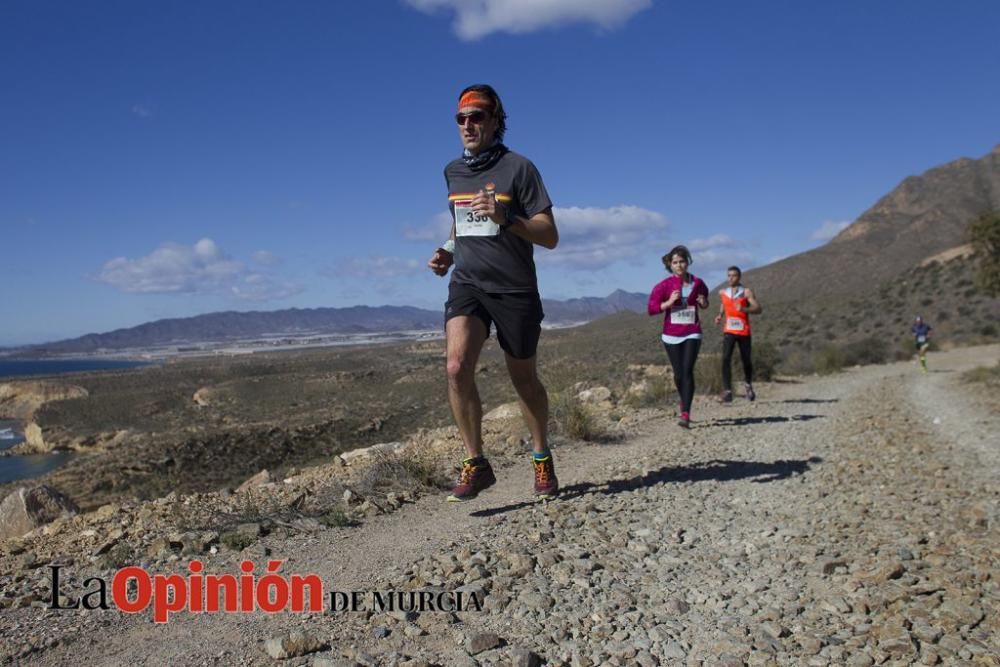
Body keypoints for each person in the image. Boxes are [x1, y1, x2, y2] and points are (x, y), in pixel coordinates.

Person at [426, 84, 559, 501]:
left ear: (496, 121)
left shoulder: (520, 168)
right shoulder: (453, 172)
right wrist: (448, 251)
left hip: (514, 289)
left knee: (524, 380)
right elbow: (461, 223)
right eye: (461, 118)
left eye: (477, 116)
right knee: (454, 367)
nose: (468, 125)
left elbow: (550, 235)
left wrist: (507, 217)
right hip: (468, 284)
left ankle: (540, 456)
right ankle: (476, 463)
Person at [647, 245, 710, 428]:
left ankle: (685, 412)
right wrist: (668, 303)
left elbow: (705, 301)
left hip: (692, 331)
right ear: (670, 265)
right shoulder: (664, 286)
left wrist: (704, 302)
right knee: (679, 373)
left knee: (687, 370)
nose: (679, 265)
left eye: (682, 261)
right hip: (671, 335)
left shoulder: (698, 283)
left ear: (687, 262)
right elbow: (651, 309)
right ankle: (683, 399)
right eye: (675, 262)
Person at [714, 266, 762, 402]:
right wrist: (720, 315)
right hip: (729, 330)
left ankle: (748, 385)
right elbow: (724, 303)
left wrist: (744, 308)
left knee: (746, 360)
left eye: (734, 275)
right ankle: (728, 390)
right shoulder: (723, 292)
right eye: (729, 275)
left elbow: (758, 309)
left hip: (744, 331)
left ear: (739, 277)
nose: (731, 278)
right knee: (725, 358)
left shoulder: (746, 292)